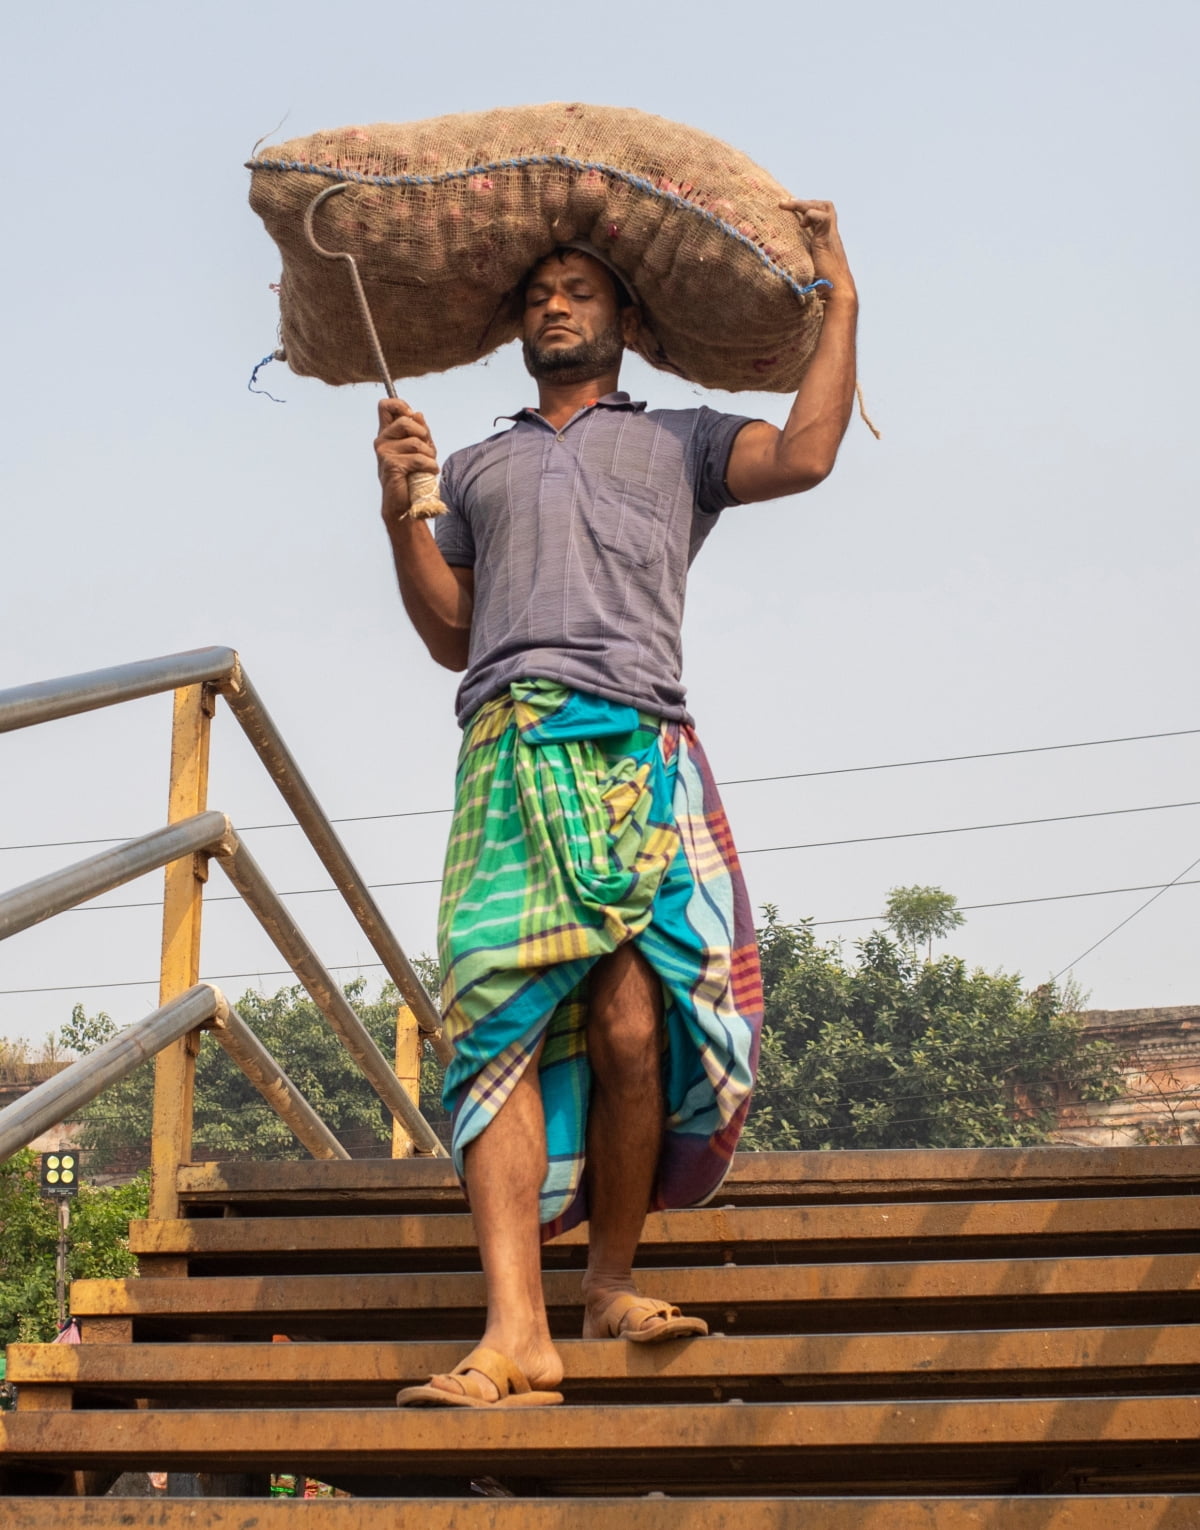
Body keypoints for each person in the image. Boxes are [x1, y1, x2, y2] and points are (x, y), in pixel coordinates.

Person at [377, 202, 858, 1408]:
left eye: (581, 287)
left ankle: (604, 1284)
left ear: (626, 321)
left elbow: (805, 454)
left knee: (641, 1029)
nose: (555, 301)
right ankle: (514, 1335)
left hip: (641, 752)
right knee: (498, 1030)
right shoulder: (475, 467)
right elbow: (449, 632)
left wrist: (841, 303)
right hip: (509, 747)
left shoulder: (683, 443)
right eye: (540, 288)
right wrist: (400, 510)